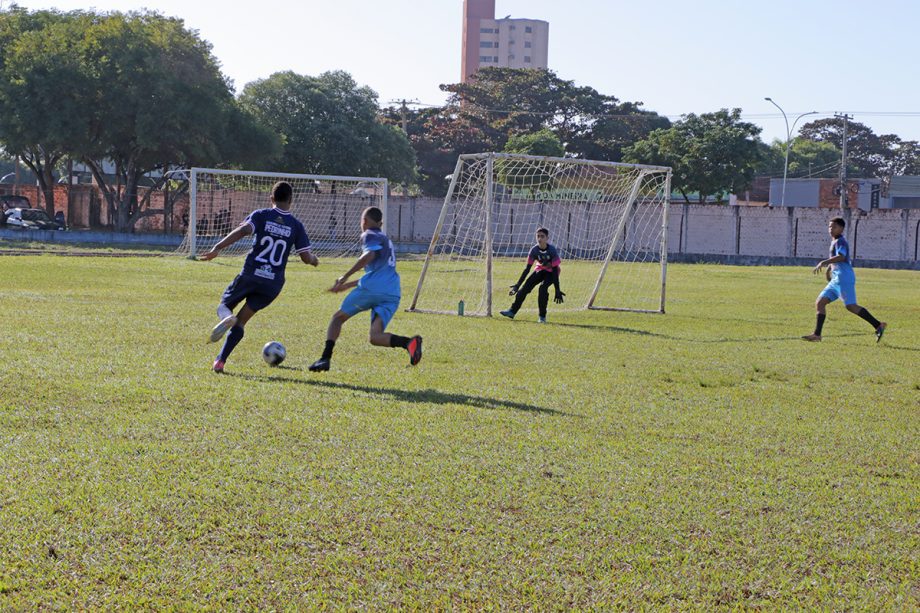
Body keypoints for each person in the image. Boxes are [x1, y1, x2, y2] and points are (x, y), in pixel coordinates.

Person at [201, 181, 318, 372]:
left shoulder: (261, 215)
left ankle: (227, 318)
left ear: (271, 198)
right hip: (272, 284)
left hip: (251, 274)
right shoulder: (296, 225)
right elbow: (306, 257)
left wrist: (217, 248)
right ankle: (220, 361)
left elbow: (243, 231)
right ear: (291, 200)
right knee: (242, 321)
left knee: (224, 305)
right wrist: (314, 260)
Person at [308, 206, 422, 372]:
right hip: (392, 293)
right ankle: (408, 343)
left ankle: (325, 358)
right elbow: (377, 274)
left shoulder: (369, 234)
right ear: (380, 222)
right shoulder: (386, 240)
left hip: (373, 290)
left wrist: (345, 276)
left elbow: (369, 256)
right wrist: (347, 286)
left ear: (365, 221)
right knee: (375, 337)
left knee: (337, 318)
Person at [803, 216, 886, 343]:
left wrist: (824, 262)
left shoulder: (841, 241)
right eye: (830, 226)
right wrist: (829, 269)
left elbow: (841, 257)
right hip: (836, 279)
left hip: (844, 277)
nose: (831, 229)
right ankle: (817, 335)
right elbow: (836, 259)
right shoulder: (834, 241)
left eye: (834, 227)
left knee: (851, 306)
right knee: (820, 302)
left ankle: (878, 325)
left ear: (841, 229)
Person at [500, 227, 565, 323]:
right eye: (538, 236)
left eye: (542, 236)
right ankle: (512, 311)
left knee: (543, 289)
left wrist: (557, 290)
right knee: (524, 288)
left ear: (547, 238)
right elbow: (527, 269)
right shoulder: (534, 250)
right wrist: (518, 285)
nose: (539, 239)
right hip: (540, 270)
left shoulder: (552, 250)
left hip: (551, 273)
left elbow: (555, 271)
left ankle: (542, 317)